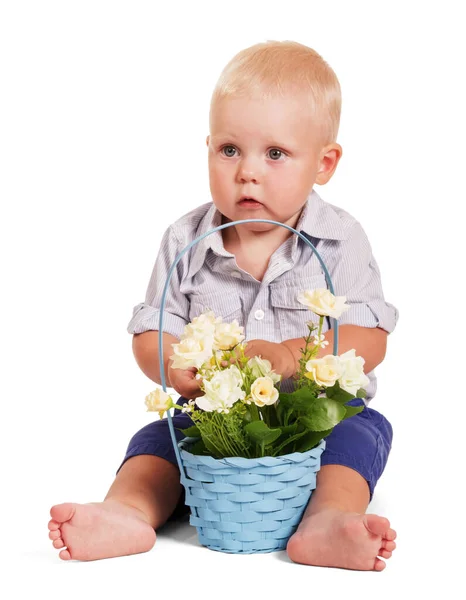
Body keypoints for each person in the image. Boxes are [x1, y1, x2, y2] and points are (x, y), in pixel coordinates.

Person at [48, 40, 398, 570]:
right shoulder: (184, 238)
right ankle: (128, 510)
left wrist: (290, 357)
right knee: (160, 439)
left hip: (314, 419)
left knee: (360, 431)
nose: (247, 172)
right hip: (214, 419)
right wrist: (173, 365)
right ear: (208, 147)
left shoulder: (340, 240)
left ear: (324, 163)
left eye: (275, 153)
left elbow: (370, 336)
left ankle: (327, 518)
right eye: (229, 150)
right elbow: (152, 329)